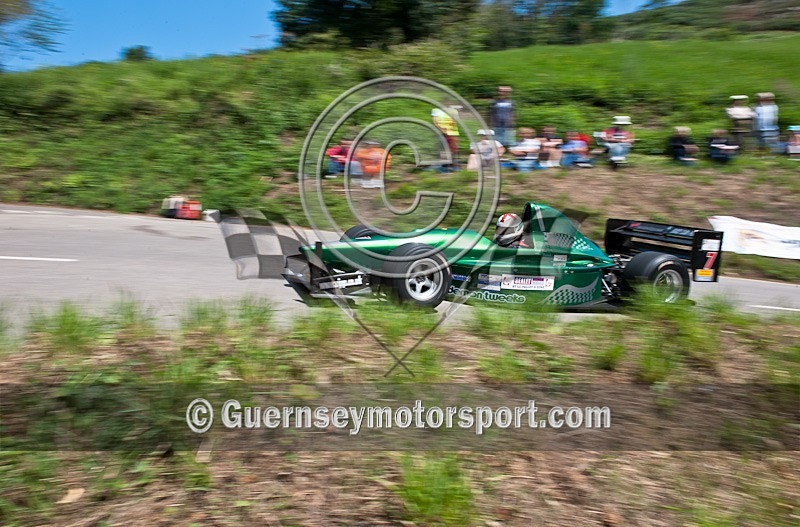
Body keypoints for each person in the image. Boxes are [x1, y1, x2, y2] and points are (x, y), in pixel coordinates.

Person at [432, 103, 461, 170]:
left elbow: (455, 121)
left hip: (452, 132)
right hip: (443, 133)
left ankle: (453, 164)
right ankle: (444, 164)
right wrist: (442, 130)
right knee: (443, 149)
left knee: (453, 149)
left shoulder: (453, 111)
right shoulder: (436, 110)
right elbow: (435, 122)